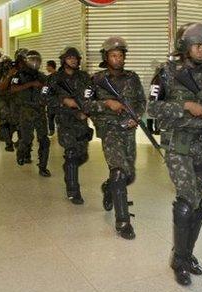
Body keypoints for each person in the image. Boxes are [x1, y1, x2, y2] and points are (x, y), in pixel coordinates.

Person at [148, 22, 202, 286]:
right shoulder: (166, 73)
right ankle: (179, 261)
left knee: (198, 203)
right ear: (184, 46)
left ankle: (187, 254)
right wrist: (185, 106)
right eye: (197, 45)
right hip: (177, 146)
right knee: (186, 200)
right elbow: (152, 109)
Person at [84, 36, 145, 239]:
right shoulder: (96, 79)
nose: (118, 59)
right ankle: (123, 221)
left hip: (128, 129)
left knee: (130, 175)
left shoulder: (132, 77)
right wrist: (106, 104)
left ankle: (107, 187)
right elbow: (86, 105)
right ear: (106, 57)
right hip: (109, 129)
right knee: (118, 172)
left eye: (120, 55)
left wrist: (136, 116)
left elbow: (141, 101)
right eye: (113, 55)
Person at [46, 47, 93, 205]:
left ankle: (69, 168)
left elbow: (93, 95)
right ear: (63, 60)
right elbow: (44, 98)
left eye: (75, 58)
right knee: (72, 153)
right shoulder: (54, 78)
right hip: (65, 120)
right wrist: (63, 101)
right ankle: (73, 191)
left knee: (83, 155)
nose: (73, 60)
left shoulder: (85, 77)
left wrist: (87, 111)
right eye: (70, 58)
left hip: (82, 121)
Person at [8, 49, 51, 177]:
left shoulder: (42, 76)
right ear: (27, 61)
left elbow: (49, 90)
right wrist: (30, 84)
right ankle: (21, 153)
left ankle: (43, 166)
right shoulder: (19, 75)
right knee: (27, 139)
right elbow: (13, 89)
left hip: (40, 110)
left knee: (44, 139)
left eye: (37, 60)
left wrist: (45, 91)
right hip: (25, 109)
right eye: (32, 60)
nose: (35, 63)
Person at [0, 55, 17, 152]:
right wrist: (6, 78)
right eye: (4, 63)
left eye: (8, 62)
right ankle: (8, 143)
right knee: (4, 120)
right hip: (2, 98)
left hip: (14, 99)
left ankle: (14, 141)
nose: (6, 65)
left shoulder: (16, 72)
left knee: (14, 121)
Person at [45, 60, 58, 136]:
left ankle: (54, 130)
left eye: (47, 66)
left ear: (50, 66)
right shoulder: (48, 77)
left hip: (56, 101)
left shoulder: (57, 76)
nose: (46, 68)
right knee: (50, 117)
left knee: (55, 117)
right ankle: (51, 130)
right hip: (51, 101)